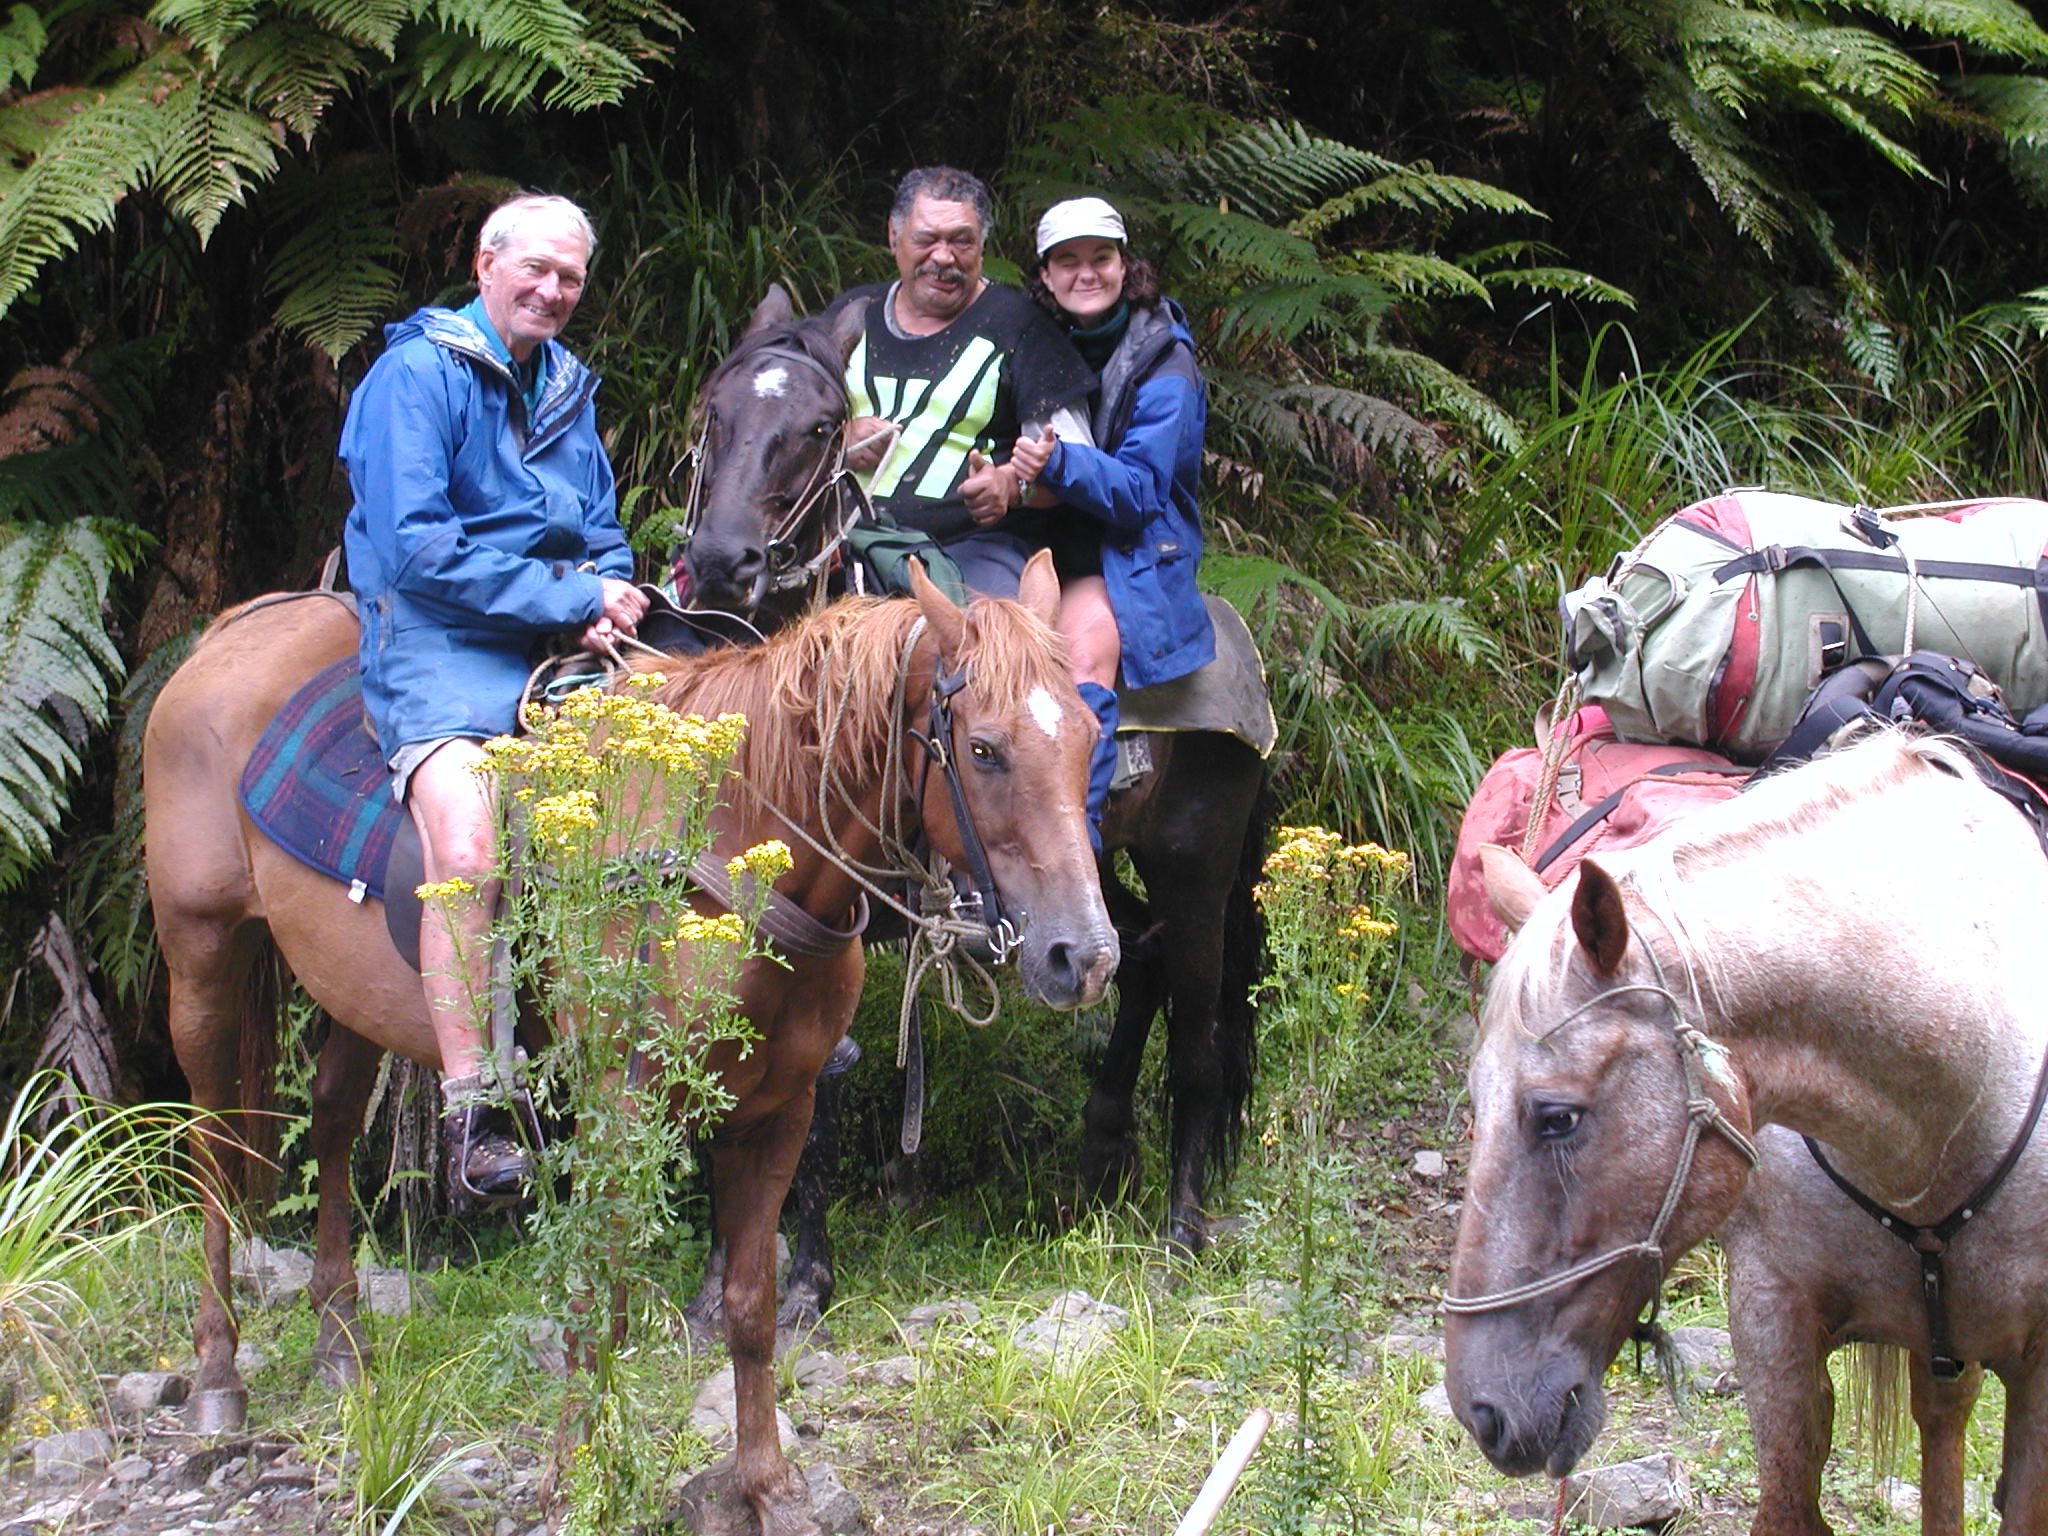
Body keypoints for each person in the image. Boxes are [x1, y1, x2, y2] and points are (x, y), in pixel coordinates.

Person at [340, 192, 646, 1206]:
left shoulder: (564, 385)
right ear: (485, 264)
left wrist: (609, 594)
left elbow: (601, 533)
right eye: (536, 270)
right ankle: (474, 1112)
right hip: (434, 643)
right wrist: (571, 597)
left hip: (555, 641)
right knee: (469, 846)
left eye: (570, 278)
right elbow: (417, 550)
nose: (552, 291)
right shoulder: (414, 376)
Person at [1007, 195, 1217, 840]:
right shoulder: (1024, 341)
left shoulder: (1165, 363)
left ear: (1125, 266)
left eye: (1101, 257)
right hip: (1028, 538)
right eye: (1067, 261)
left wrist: (1056, 462)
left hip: (1125, 551)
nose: (1086, 273)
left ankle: (1075, 843)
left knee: (1079, 670)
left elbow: (1142, 493)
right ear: (1045, 275)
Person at [834, 166, 1096, 599]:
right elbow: (779, 434)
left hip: (972, 549)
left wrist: (1011, 486)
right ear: (893, 238)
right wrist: (838, 440)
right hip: (838, 541)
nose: (943, 257)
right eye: (926, 239)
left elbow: (1079, 467)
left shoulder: (1022, 328)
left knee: (977, 635)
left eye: (961, 241)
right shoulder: (849, 316)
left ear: (982, 246)